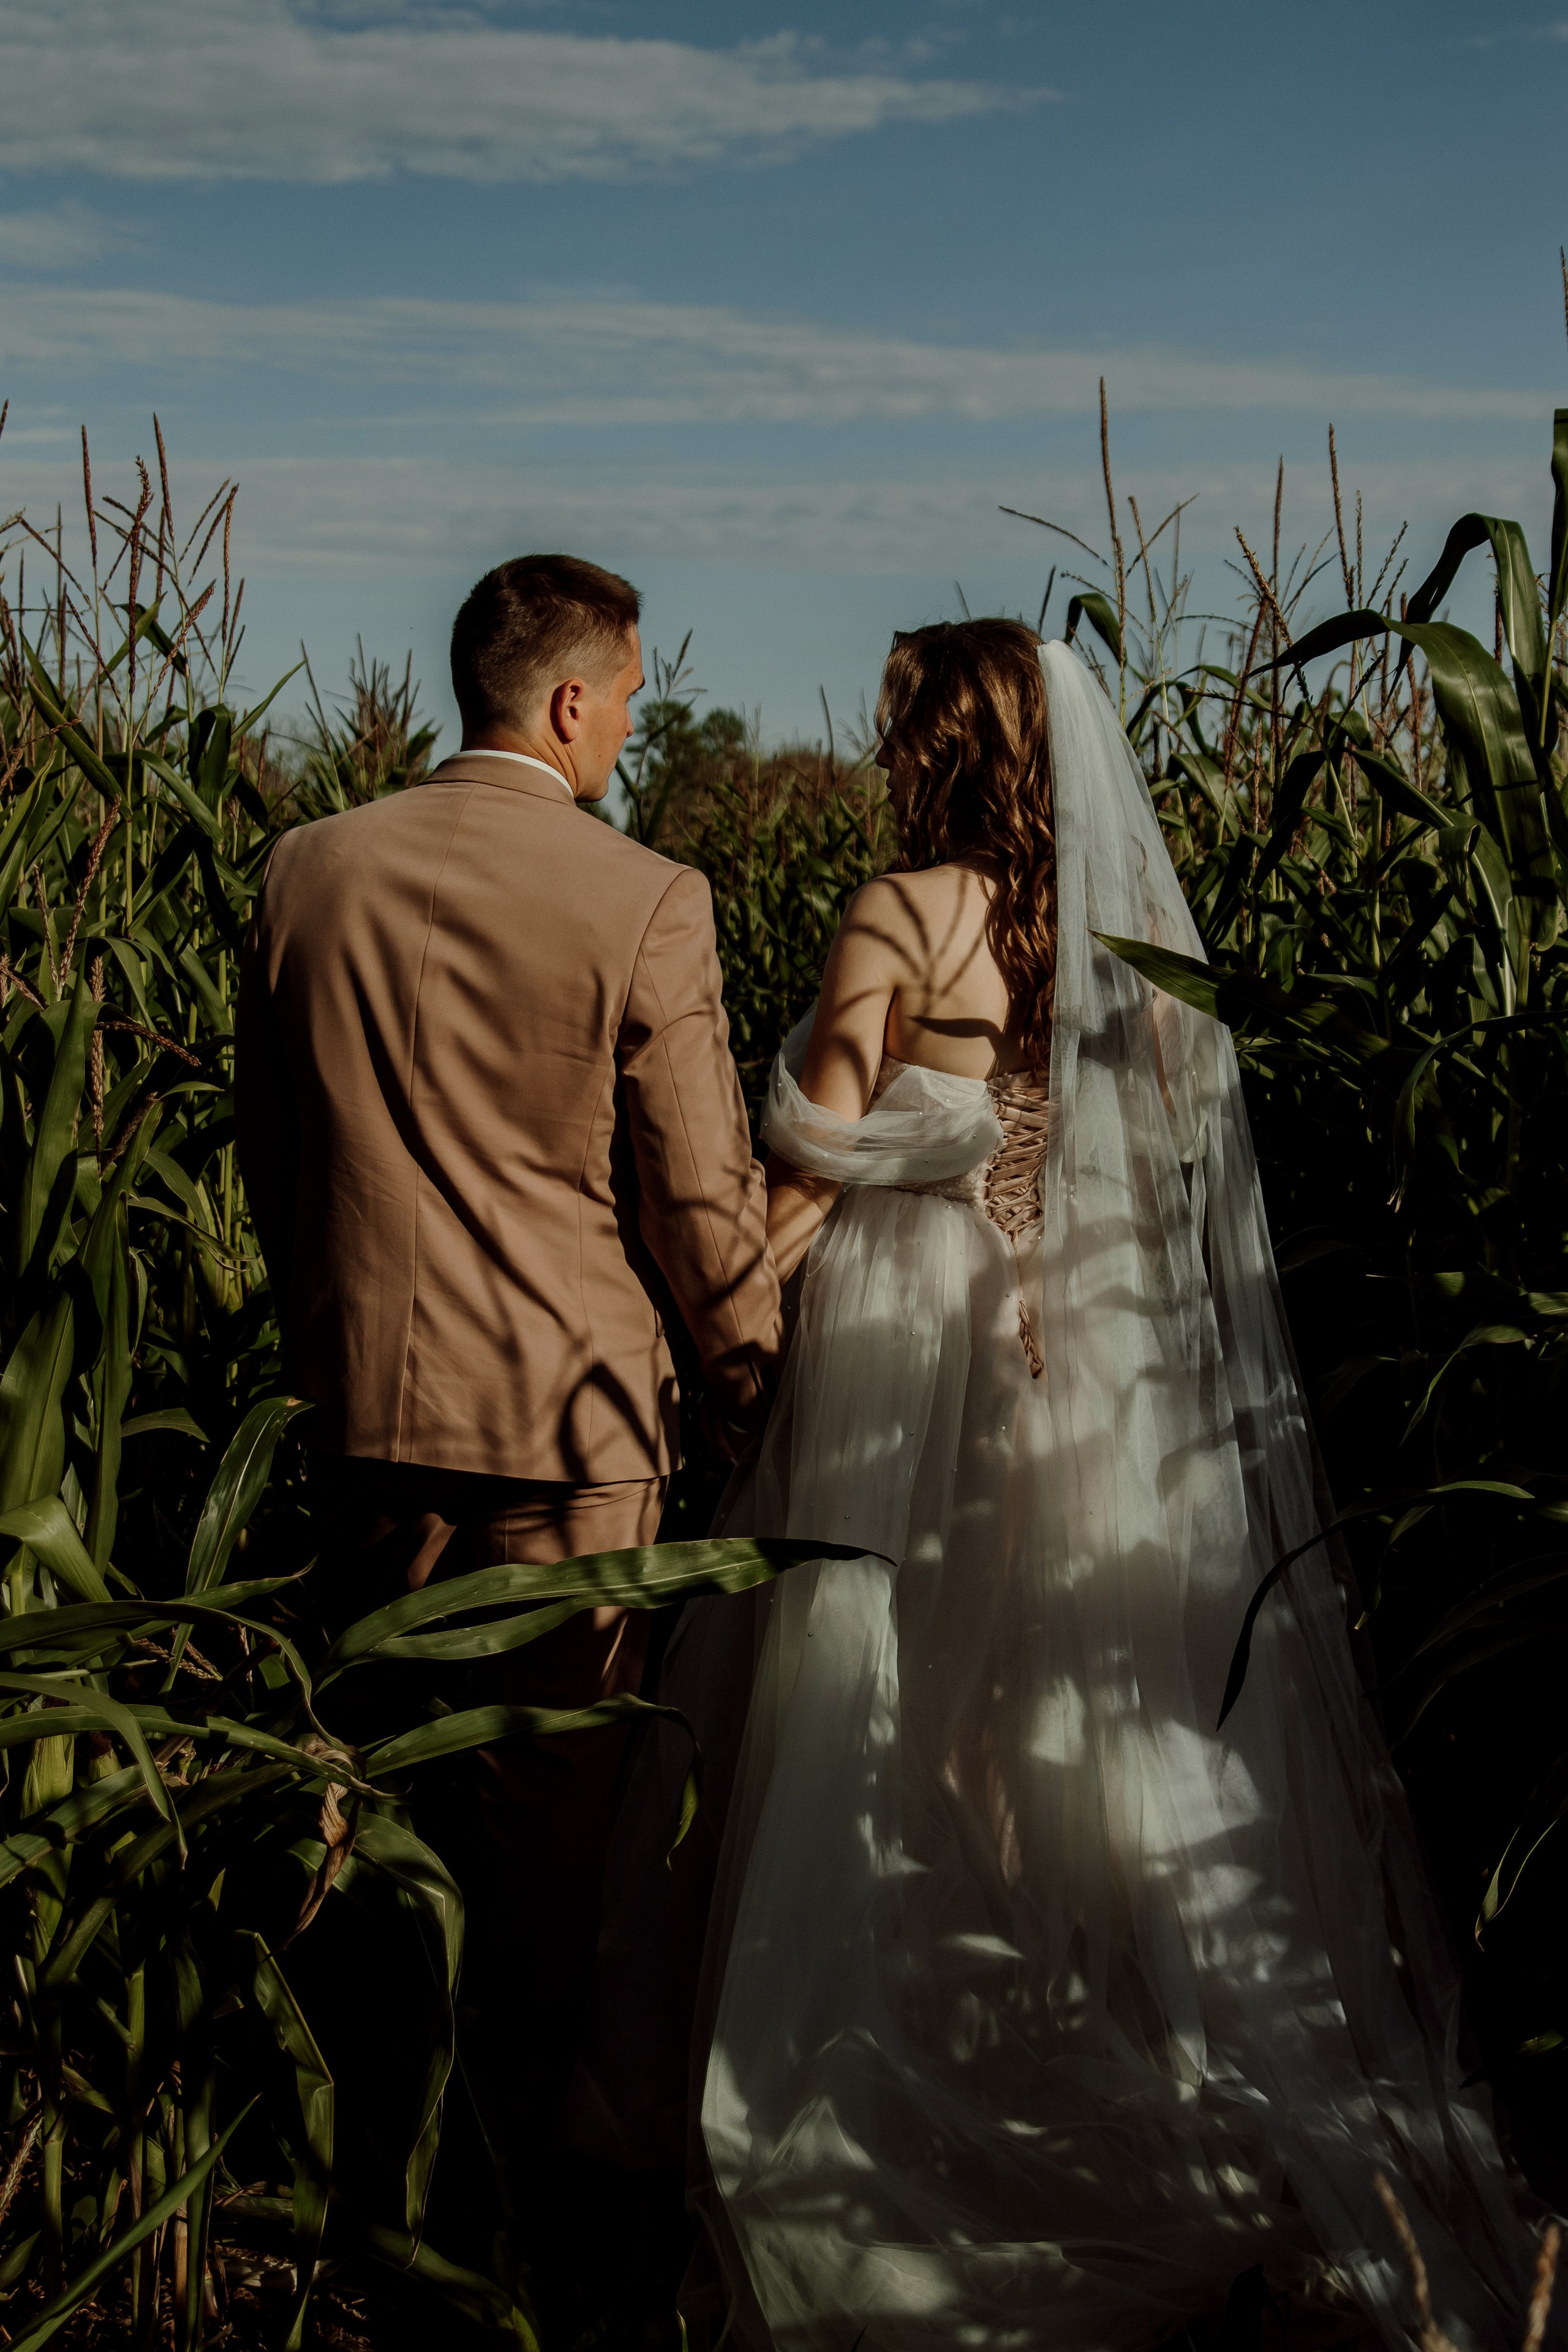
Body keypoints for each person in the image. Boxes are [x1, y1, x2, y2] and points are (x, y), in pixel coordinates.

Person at [603, 622, 1542, 2350]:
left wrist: (738, 1333)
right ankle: (1051, 2015)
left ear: (940, 746)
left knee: (898, 1697)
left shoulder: (897, 913)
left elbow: (812, 1150)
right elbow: (1174, 1141)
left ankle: (921, 2037)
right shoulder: (1124, 936)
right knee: (1082, 1687)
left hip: (918, 1346)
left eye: (899, 725)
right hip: (1090, 1347)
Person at [235, 552, 783, 2137]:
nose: (626, 727)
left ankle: (353, 2128)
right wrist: (746, 1387)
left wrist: (334, 1344)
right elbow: (697, 1195)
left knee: (371, 1787)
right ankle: (510, 2172)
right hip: (572, 1428)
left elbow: (276, 1167)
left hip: (359, 1412)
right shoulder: (641, 897)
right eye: (625, 697)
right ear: (565, 699)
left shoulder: (303, 871)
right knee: (547, 1824)